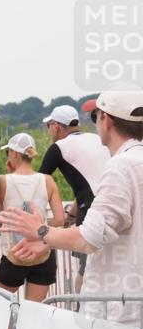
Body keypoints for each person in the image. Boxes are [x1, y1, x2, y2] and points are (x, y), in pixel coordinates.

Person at [0, 90, 143, 326]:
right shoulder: (127, 160)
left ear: (106, 120)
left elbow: (90, 237)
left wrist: (42, 231)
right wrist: (49, 239)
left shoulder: (120, 166)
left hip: (118, 315)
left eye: (95, 116)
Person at [38, 104, 111, 292]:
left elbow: (38, 183)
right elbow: (88, 186)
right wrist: (70, 214)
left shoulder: (58, 147)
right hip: (114, 206)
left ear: (56, 127)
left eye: (49, 126)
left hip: (91, 213)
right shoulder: (97, 139)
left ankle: (80, 307)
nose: (49, 131)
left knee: (86, 271)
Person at [0, 133, 65, 302]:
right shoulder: (47, 180)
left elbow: (2, 211)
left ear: (14, 154)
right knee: (33, 311)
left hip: (15, 254)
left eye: (8, 152)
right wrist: (41, 233)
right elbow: (60, 219)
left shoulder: (2, 181)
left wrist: (10, 173)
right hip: (43, 254)